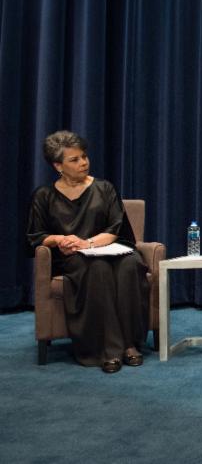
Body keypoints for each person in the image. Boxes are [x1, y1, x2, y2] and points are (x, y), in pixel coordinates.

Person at [27, 131, 150, 373]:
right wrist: (60, 239)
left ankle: (130, 344)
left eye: (84, 156)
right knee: (98, 269)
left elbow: (115, 229)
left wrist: (88, 243)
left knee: (130, 265)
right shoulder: (44, 196)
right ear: (58, 166)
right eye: (74, 160)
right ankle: (108, 349)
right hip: (75, 258)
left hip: (111, 248)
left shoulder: (104, 188)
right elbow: (36, 236)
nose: (83, 162)